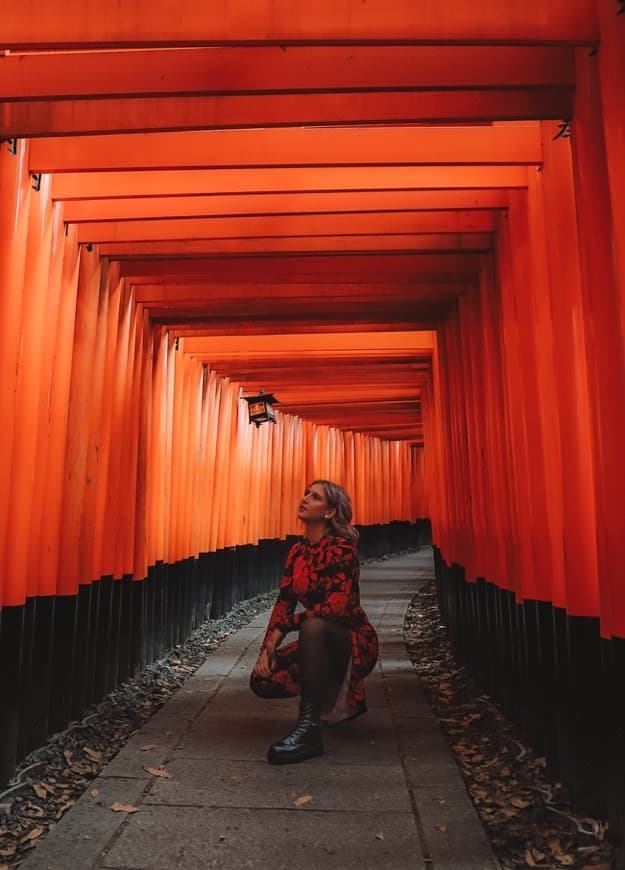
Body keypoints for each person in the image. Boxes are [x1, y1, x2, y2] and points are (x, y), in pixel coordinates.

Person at [250, 479, 379, 764]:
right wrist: (267, 648)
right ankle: (329, 694)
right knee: (261, 679)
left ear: (330, 512)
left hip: (352, 640)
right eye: (306, 493)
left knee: (314, 625)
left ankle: (308, 730)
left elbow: (336, 608)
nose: (305, 498)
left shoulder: (342, 550)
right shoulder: (297, 552)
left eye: (315, 496)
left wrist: (286, 626)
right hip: (317, 637)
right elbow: (284, 601)